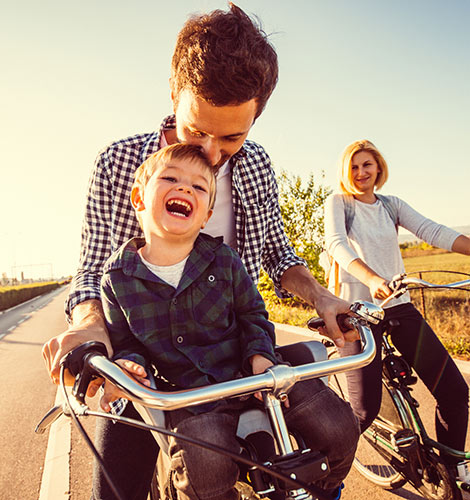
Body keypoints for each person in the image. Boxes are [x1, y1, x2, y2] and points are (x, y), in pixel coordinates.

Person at [42, 5, 355, 499]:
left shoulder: (255, 166)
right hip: (149, 370)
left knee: (315, 475)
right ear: (173, 94)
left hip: (242, 358)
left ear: (256, 114)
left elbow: (277, 252)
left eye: (232, 135)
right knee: (114, 490)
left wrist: (323, 298)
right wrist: (89, 327)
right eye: (196, 131)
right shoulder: (120, 161)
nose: (211, 153)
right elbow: (92, 273)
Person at [100, 143, 359, 500]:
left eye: (199, 186)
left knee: (338, 426)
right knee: (202, 470)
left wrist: (260, 357)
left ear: (206, 214)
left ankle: (326, 489)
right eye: (171, 178)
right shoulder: (116, 279)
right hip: (192, 394)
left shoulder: (224, 260)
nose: (185, 188)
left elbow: (253, 314)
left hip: (257, 373)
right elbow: (128, 343)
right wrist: (132, 366)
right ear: (139, 198)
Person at [324, 139, 470, 471]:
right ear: (347, 172)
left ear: (378, 168)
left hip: (398, 305)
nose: (361, 172)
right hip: (357, 314)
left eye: (367, 165)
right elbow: (337, 245)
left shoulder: (391, 205)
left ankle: (450, 469)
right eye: (354, 166)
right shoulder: (339, 203)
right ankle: (323, 473)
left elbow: (432, 231)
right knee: (364, 412)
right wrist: (373, 279)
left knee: (454, 391)